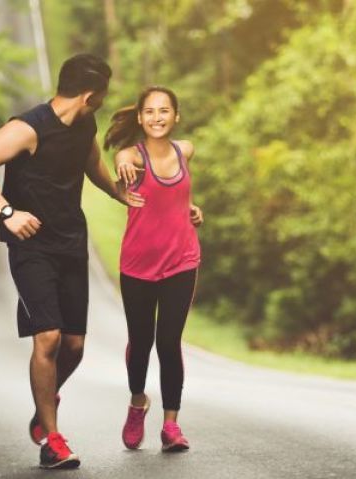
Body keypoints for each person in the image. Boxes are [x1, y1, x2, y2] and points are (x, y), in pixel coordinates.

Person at [0, 54, 144, 470]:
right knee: (49, 338)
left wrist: (116, 192)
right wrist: (7, 212)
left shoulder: (83, 124)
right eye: (102, 95)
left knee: (75, 347)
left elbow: (91, 161)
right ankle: (52, 439)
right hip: (32, 248)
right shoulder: (27, 128)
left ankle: (45, 404)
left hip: (71, 242)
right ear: (89, 94)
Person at [103, 86, 203, 452]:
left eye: (164, 111)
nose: (157, 117)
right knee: (141, 342)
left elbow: (179, 194)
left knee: (168, 341)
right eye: (149, 112)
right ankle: (136, 402)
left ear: (176, 116)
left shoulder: (185, 150)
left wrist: (191, 208)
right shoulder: (132, 155)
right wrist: (121, 166)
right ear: (140, 118)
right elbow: (121, 160)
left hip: (182, 260)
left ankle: (171, 425)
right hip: (138, 264)